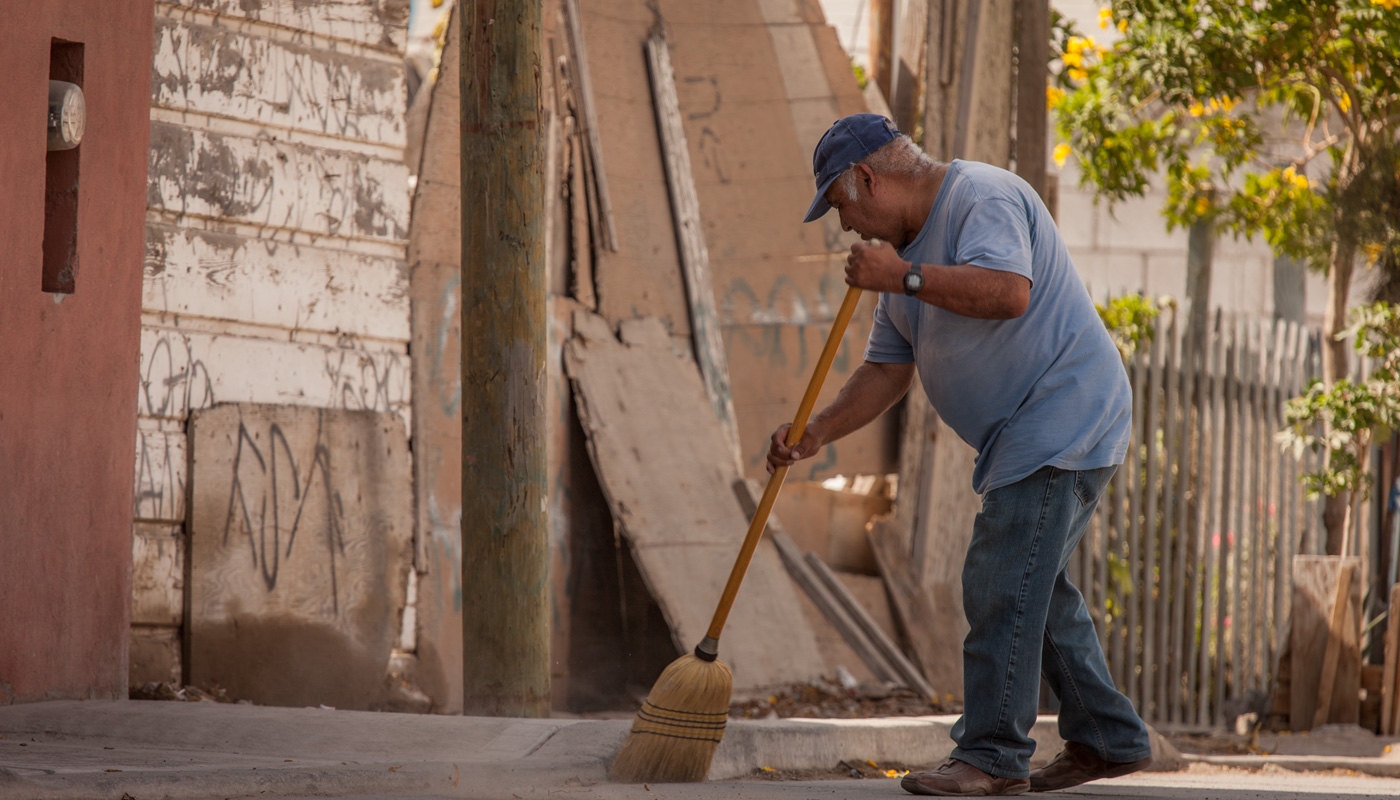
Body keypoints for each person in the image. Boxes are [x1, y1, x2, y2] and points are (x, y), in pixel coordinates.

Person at [768, 113, 1154, 796]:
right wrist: (820, 429)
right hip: (1031, 431)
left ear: (868, 178)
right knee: (1034, 589)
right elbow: (890, 369)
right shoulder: (904, 255)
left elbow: (1009, 292)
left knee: (998, 580)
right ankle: (1108, 736)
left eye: (840, 204)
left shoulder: (981, 195)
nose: (846, 226)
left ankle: (992, 757)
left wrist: (907, 277)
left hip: (1064, 412)